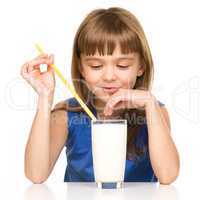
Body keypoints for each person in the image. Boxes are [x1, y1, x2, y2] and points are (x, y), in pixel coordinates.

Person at [21, 7, 180, 185]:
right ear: (81, 67)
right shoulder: (67, 116)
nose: (109, 76)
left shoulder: (154, 112)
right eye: (96, 66)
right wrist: (45, 96)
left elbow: (168, 175)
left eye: (123, 65)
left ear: (141, 67)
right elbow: (36, 174)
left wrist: (150, 102)